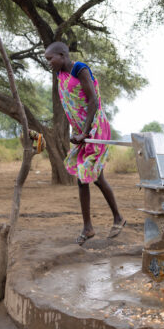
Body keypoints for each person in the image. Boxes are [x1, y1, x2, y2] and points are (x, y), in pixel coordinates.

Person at [44, 41, 125, 245]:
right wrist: (76, 131)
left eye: (50, 58)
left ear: (62, 55)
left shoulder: (79, 69)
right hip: (81, 131)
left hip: (95, 127)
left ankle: (104, 222)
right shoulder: (59, 74)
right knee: (90, 177)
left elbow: (92, 101)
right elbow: (69, 104)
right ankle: (104, 222)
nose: (49, 63)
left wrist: (86, 131)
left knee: (88, 175)